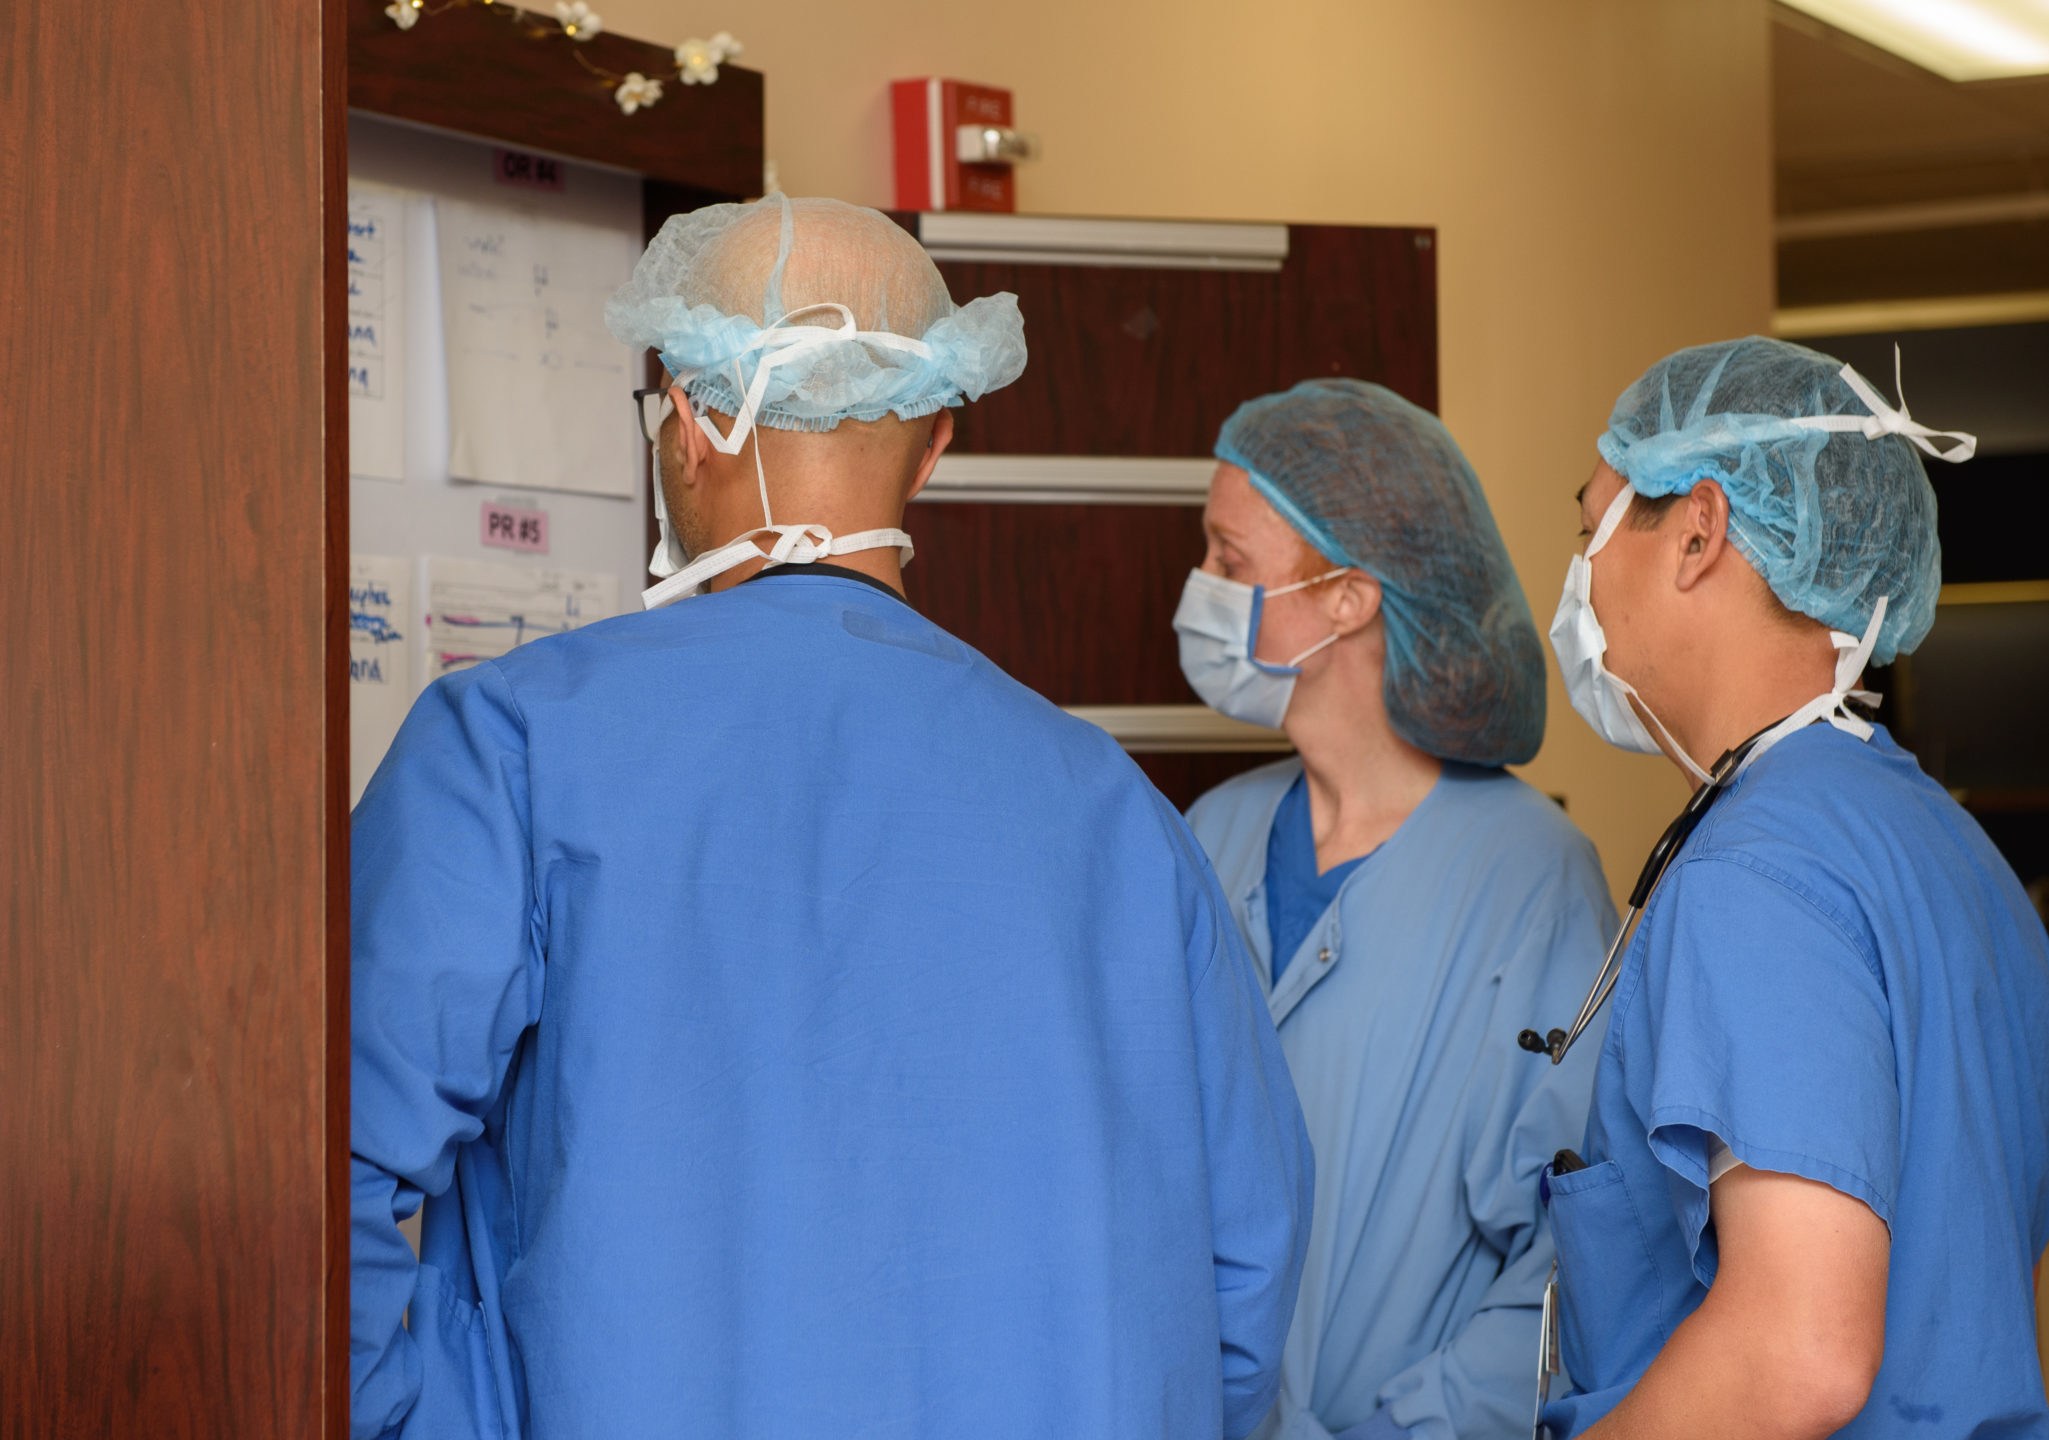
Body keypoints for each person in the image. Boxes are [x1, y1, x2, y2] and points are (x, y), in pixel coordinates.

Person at [349, 195, 1313, 1440]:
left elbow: (316, 1187)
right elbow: (1240, 1282)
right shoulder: (1112, 809)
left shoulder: (513, 748)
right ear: (934, 446)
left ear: (688, 423)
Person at [1536, 336, 2049, 1438]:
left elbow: (1798, 1354)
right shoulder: (1946, 849)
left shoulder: (1758, 874)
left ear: (1700, 533)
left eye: (1592, 532)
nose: (1578, 580)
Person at [1175, 379, 1618, 1440]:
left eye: (1232, 564)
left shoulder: (1532, 878)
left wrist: (1418, 1426)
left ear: (1348, 596)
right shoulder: (1210, 836)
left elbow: (1579, 1251)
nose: (1200, 589)